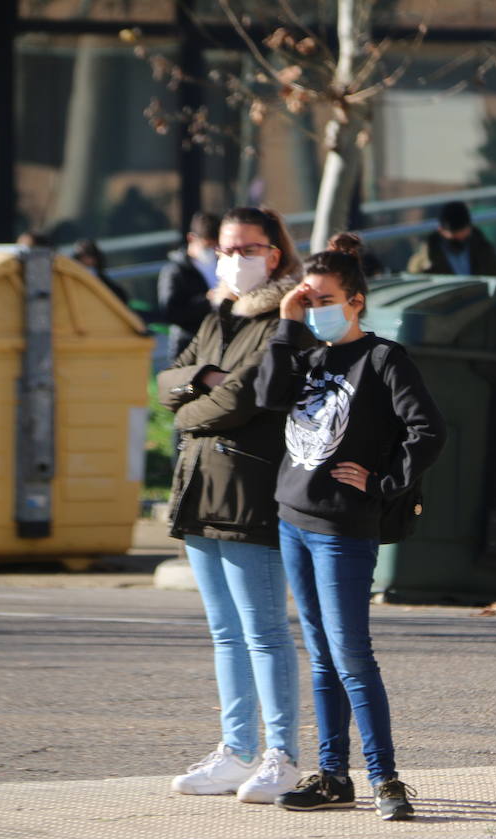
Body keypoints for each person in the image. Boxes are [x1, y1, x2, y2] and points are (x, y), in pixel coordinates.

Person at [255, 233, 445, 821]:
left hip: (343, 529)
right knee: (320, 655)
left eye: (324, 300)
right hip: (293, 518)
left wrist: (386, 482)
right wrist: (287, 323)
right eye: (309, 301)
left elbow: (428, 431)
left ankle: (386, 778)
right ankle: (333, 775)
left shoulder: (384, 359)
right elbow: (267, 397)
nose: (316, 311)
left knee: (352, 655)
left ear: (356, 300)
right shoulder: (306, 352)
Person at [157, 207, 314, 803]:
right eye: (225, 249)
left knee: (265, 631)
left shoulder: (285, 317)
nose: (233, 260)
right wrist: (201, 382)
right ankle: (236, 747)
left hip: (251, 491)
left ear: (274, 253)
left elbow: (242, 399)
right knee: (226, 632)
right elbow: (165, 384)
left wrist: (192, 401)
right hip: (198, 488)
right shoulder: (219, 311)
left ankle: (281, 755)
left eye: (247, 249)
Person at [158, 212, 222, 360]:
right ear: (191, 238)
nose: (212, 251)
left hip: (218, 343)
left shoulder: (222, 263)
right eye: (207, 246)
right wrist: (206, 301)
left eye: (216, 246)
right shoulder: (175, 271)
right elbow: (170, 312)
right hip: (188, 347)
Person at [406, 201, 496, 276]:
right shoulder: (426, 258)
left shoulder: (483, 249)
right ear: (441, 230)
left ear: (469, 228)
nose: (460, 240)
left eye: (463, 235)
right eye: (454, 237)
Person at [71, 238, 130, 306]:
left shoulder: (110, 286)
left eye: (89, 255)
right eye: (80, 257)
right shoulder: (71, 286)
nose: (85, 260)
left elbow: (122, 300)